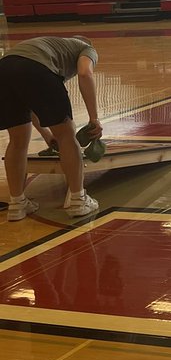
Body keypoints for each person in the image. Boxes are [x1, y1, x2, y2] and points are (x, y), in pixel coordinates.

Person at [0, 36, 102, 222]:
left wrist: (46, 134)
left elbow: (29, 101)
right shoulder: (87, 48)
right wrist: (94, 119)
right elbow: (85, 73)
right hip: (35, 70)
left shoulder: (49, 47)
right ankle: (78, 200)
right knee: (66, 135)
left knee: (17, 140)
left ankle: (17, 203)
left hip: (4, 70)